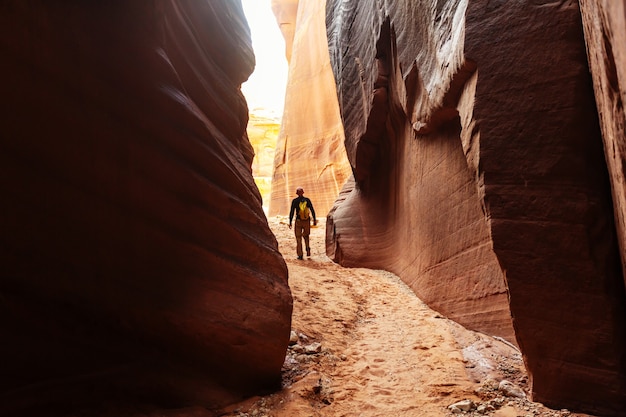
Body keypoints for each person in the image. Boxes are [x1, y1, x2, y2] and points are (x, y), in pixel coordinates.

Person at [288, 186, 317, 260]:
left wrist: (290, 221)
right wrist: (314, 220)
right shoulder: (307, 200)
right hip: (306, 220)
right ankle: (308, 250)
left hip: (298, 221)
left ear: (296, 193)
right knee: (306, 236)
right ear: (303, 192)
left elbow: (292, 211)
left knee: (298, 238)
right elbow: (312, 210)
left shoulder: (295, 201)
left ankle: (300, 255)